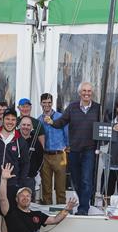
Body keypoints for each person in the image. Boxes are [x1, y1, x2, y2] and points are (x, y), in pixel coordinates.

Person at [0, 164, 76, 232]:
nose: (25, 198)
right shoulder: (11, 213)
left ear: (31, 199)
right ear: (16, 199)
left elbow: (55, 220)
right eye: (22, 196)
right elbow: (2, 198)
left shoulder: (37, 214)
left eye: (28, 196)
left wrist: (67, 209)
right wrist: (3, 179)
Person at [44, 82, 100, 215]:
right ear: (80, 93)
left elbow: (105, 123)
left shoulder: (99, 108)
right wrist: (52, 122)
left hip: (89, 150)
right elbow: (62, 121)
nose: (87, 93)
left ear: (92, 93)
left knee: (86, 180)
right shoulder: (72, 107)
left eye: (89, 91)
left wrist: (113, 128)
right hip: (74, 150)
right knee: (75, 180)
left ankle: (83, 209)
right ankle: (85, 202)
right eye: (84, 91)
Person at [38, 93, 68, 205]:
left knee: (60, 188)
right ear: (41, 103)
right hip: (45, 156)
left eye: (49, 102)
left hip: (59, 155)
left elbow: (67, 134)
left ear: (52, 103)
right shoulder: (39, 120)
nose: (47, 105)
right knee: (46, 188)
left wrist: (67, 147)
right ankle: (47, 215)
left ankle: (62, 212)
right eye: (44, 102)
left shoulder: (60, 117)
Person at [18, 116, 44, 193]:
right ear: (19, 126)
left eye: (28, 125)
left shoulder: (36, 142)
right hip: (15, 178)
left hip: (30, 179)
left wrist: (34, 172)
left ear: (32, 127)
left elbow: (41, 159)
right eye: (24, 124)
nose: (26, 127)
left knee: (30, 202)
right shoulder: (14, 140)